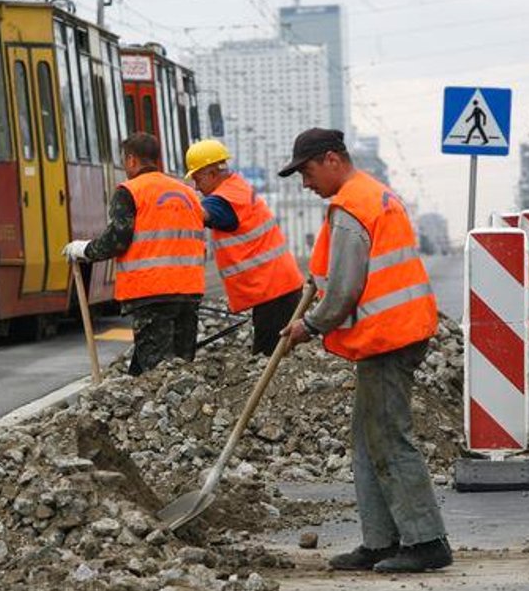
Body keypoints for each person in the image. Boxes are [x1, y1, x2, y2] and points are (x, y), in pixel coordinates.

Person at [277, 128, 453, 573]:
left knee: (389, 438)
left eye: (308, 171)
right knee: (366, 440)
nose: (306, 183)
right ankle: (379, 541)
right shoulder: (374, 194)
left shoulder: (352, 205)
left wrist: (310, 326)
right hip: (394, 332)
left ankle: (426, 541)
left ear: (332, 159)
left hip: (389, 336)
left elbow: (345, 289)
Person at [63, 132, 206, 376]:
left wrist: (83, 250)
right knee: (183, 369)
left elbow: (117, 239)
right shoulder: (187, 194)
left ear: (131, 160)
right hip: (189, 292)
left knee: (156, 373)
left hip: (152, 294)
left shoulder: (130, 192)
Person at [184, 139, 305, 355]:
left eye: (197, 178)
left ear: (212, 173)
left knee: (269, 357)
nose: (196, 186)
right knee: (274, 354)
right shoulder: (235, 187)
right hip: (276, 287)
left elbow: (198, 214)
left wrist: (170, 197)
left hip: (273, 290)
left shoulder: (225, 199)